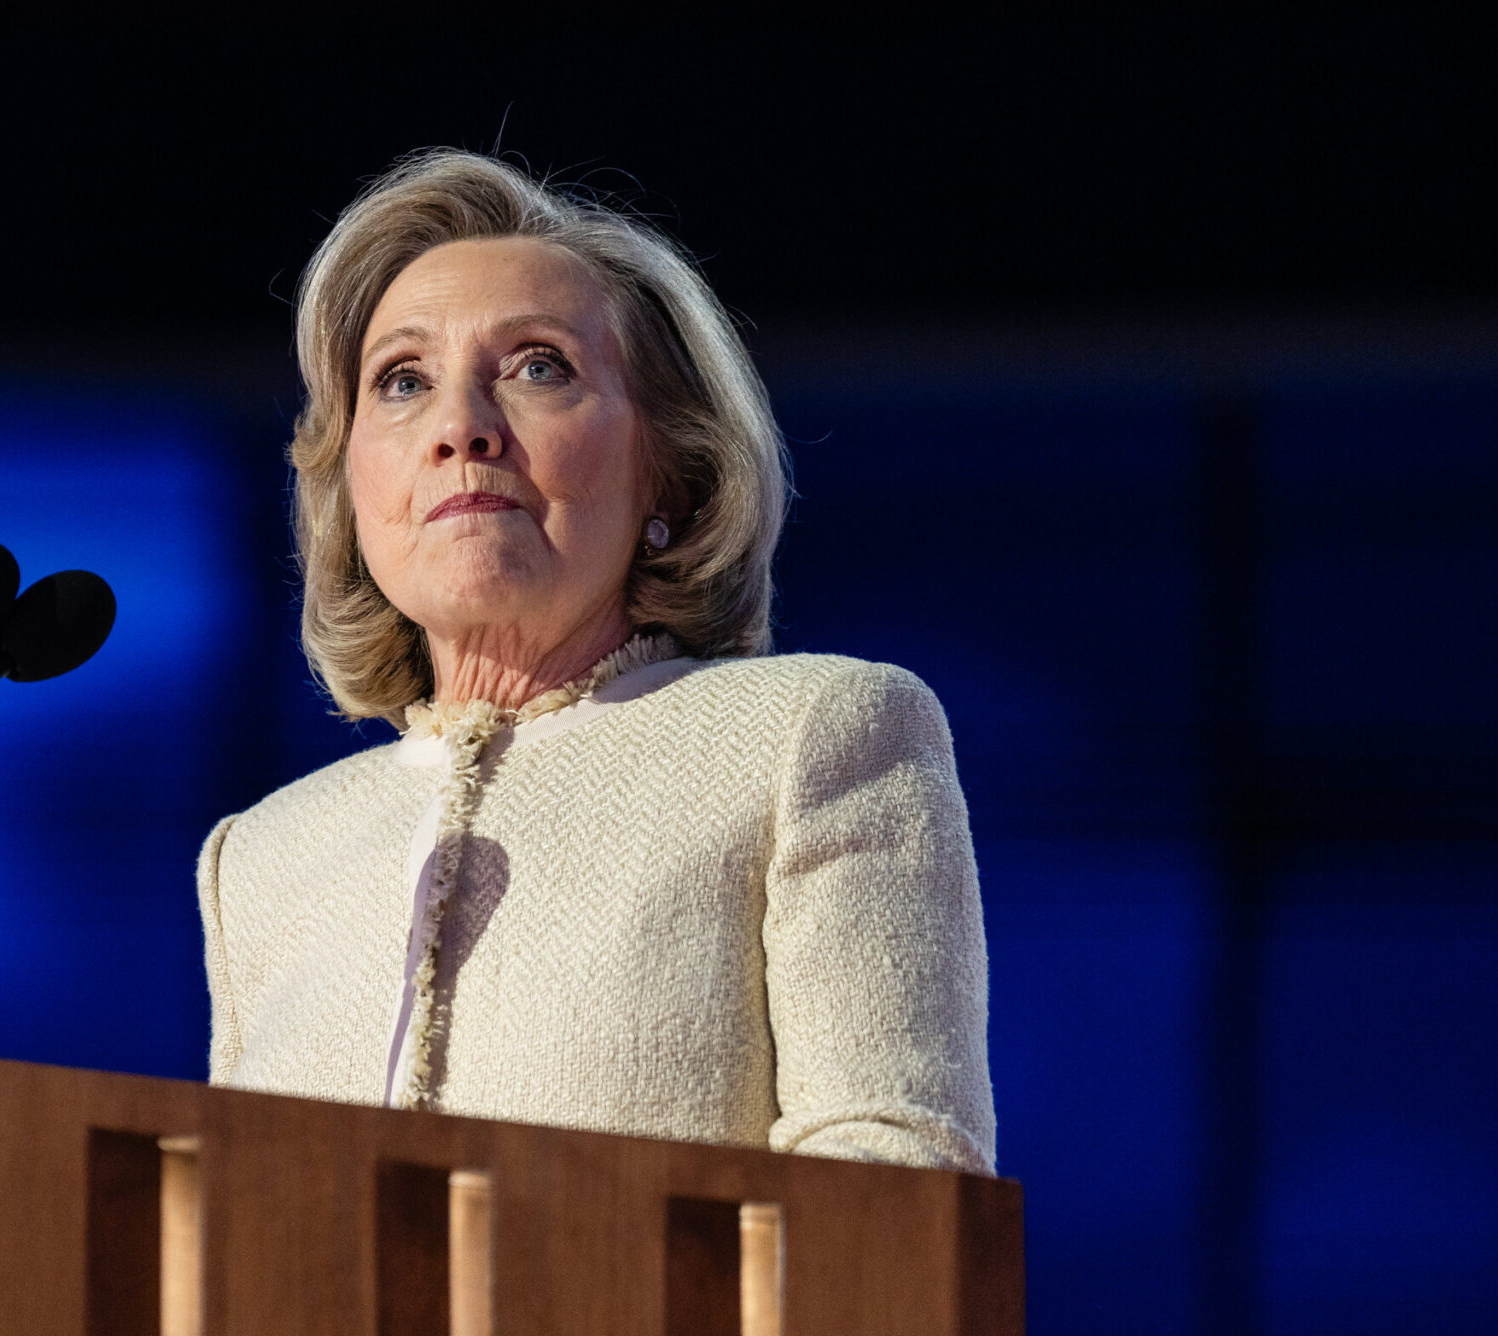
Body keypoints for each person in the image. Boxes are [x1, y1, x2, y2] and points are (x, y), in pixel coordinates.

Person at [196, 151, 995, 1174]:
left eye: (538, 367)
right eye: (402, 382)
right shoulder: (264, 856)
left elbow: (892, 1194)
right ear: (352, 486)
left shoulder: (815, 738)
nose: (460, 429)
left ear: (673, 466)